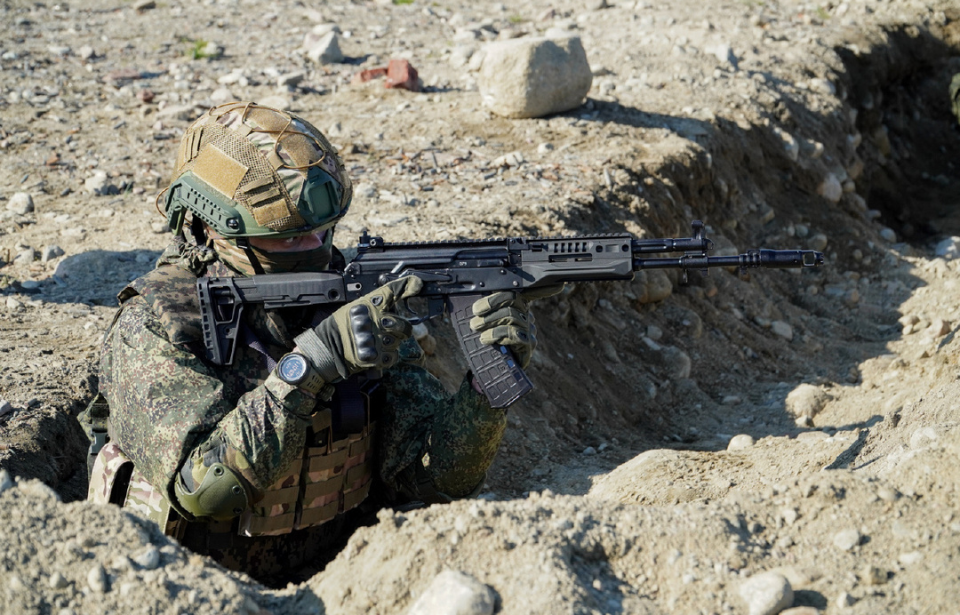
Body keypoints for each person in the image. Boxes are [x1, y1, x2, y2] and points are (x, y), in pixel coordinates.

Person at [81, 101, 548, 582]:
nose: (313, 250)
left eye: (323, 231)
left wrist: (487, 389)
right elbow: (205, 491)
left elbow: (430, 476)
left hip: (332, 577)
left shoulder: (351, 295)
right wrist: (312, 364)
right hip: (184, 584)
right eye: (285, 239)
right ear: (205, 227)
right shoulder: (156, 325)